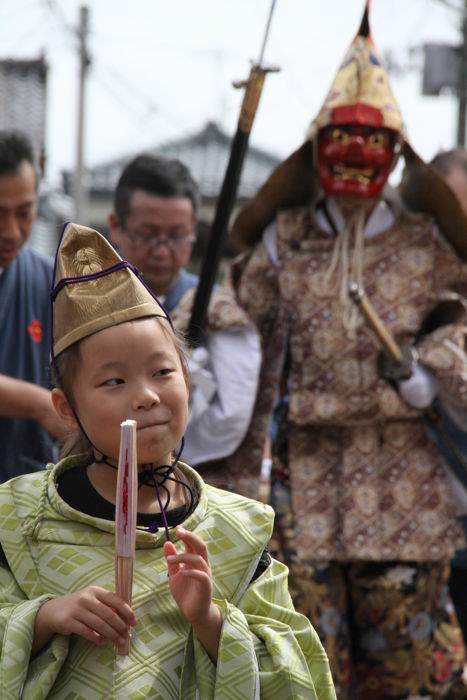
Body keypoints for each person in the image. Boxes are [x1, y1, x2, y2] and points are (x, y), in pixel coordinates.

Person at [225, 3, 467, 698]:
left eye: (372, 140)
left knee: (398, 672)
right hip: (307, 476)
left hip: (404, 484)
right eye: (340, 137)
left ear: (396, 150)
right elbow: (235, 315)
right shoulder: (286, 238)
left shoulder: (426, 241)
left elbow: (462, 318)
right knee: (310, 668)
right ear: (314, 144)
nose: (356, 154)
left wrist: (433, 371)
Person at [0, 221, 336, 698]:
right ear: (65, 409)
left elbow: (301, 679)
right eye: (113, 382)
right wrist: (43, 618)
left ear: (188, 380)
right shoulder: (17, 519)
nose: (145, 397)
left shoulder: (237, 531)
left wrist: (211, 619)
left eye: (162, 372)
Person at [108, 155, 261, 494]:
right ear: (115, 226)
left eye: (177, 236)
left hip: (189, 486)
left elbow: (232, 419)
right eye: (148, 235)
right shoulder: (87, 301)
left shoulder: (217, 311)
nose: (163, 251)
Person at [0, 130, 65, 481]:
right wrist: (40, 404)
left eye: (24, 213)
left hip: (28, 489)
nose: (11, 231)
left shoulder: (48, 280)